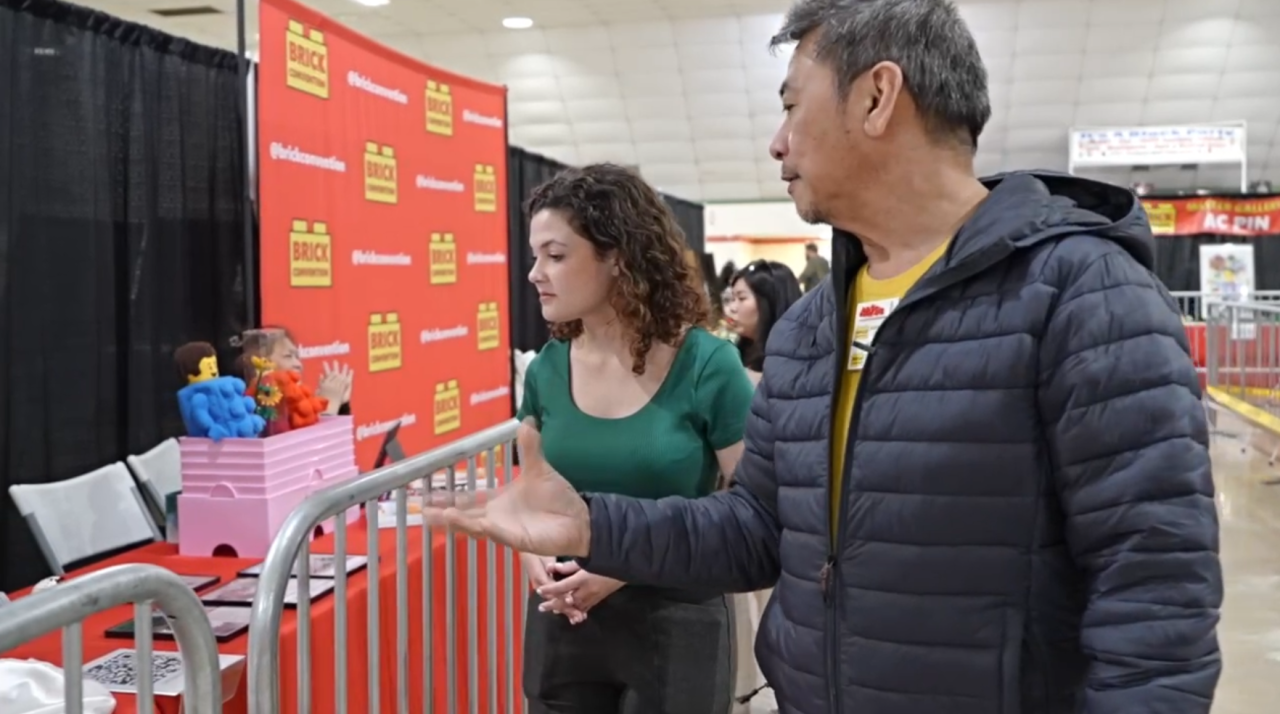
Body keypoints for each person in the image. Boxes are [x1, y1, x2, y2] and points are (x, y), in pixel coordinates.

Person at [432, 1, 1225, 713]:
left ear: (878, 97)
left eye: (790, 106)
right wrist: (592, 526)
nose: (777, 142)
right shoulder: (814, 329)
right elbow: (757, 530)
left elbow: (1155, 592)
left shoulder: (1081, 295)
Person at [511, 163, 755, 714]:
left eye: (555, 255)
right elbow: (532, 484)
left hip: (676, 622)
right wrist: (529, 544)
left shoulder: (707, 365)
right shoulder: (549, 368)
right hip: (564, 625)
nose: (534, 273)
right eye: (534, 255)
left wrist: (627, 562)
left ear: (617, 256)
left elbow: (748, 506)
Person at [721, 258, 801, 712]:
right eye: (730, 296)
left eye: (742, 297)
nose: (732, 305)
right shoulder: (725, 357)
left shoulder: (793, 360)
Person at [240, 327, 353, 416]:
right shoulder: (254, 410)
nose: (298, 364)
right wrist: (330, 407)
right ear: (261, 363)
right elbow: (311, 444)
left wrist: (339, 405)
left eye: (297, 357)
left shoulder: (298, 405)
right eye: (288, 356)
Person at [725, 259, 803, 385]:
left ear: (769, 302)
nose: (732, 308)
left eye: (741, 298)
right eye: (732, 298)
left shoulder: (795, 364)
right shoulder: (738, 353)